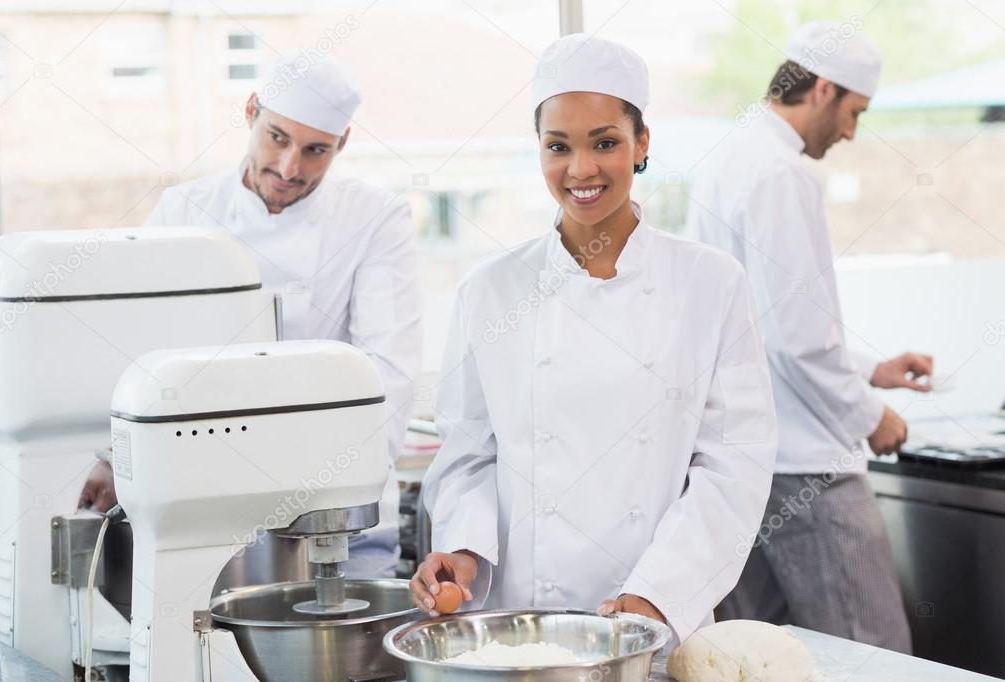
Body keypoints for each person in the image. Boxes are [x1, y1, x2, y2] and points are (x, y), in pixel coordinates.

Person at [410, 34, 777, 644]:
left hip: (654, 619)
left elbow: (734, 464)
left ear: (642, 145)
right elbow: (469, 453)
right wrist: (462, 549)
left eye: (604, 142)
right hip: (518, 628)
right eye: (558, 147)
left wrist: (658, 594)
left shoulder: (709, 283)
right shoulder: (491, 290)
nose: (580, 169)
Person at [78, 51, 422, 578]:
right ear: (251, 111)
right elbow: (138, 354)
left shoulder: (375, 218)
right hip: (204, 503)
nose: (290, 168)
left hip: (334, 513)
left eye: (315, 151)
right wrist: (113, 455)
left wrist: (347, 486)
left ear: (343, 145)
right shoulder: (184, 212)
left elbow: (389, 370)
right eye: (277, 138)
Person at [686, 22, 931, 653]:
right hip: (809, 468)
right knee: (871, 652)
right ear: (823, 89)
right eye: (855, 112)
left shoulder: (727, 158)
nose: (851, 131)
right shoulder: (780, 173)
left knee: (756, 653)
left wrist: (870, 368)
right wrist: (868, 412)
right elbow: (796, 337)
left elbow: (758, 325)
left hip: (742, 462)